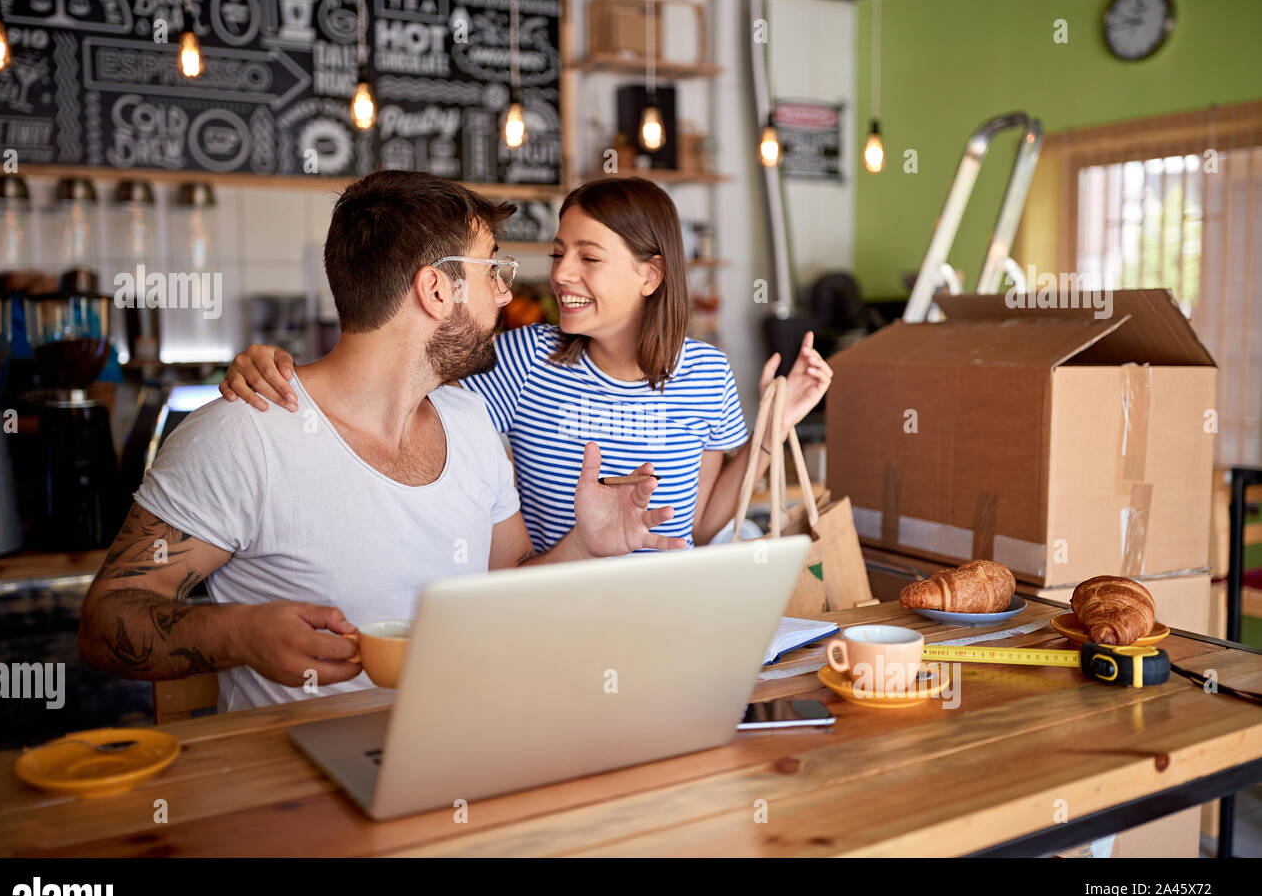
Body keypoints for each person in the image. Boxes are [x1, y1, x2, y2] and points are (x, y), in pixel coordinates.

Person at [78, 170, 682, 712]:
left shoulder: (471, 424)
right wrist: (237, 635)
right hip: (302, 796)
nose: (506, 292)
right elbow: (106, 622)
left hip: (464, 756)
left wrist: (586, 546)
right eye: (492, 268)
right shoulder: (243, 433)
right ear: (436, 290)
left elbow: (508, 587)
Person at [220, 176, 832, 553]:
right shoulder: (520, 360)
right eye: (559, 253)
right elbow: (392, 382)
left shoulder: (705, 373)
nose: (561, 274)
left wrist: (774, 428)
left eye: (589, 258)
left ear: (651, 274)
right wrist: (279, 367)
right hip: (551, 612)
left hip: (667, 613)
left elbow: (698, 529)